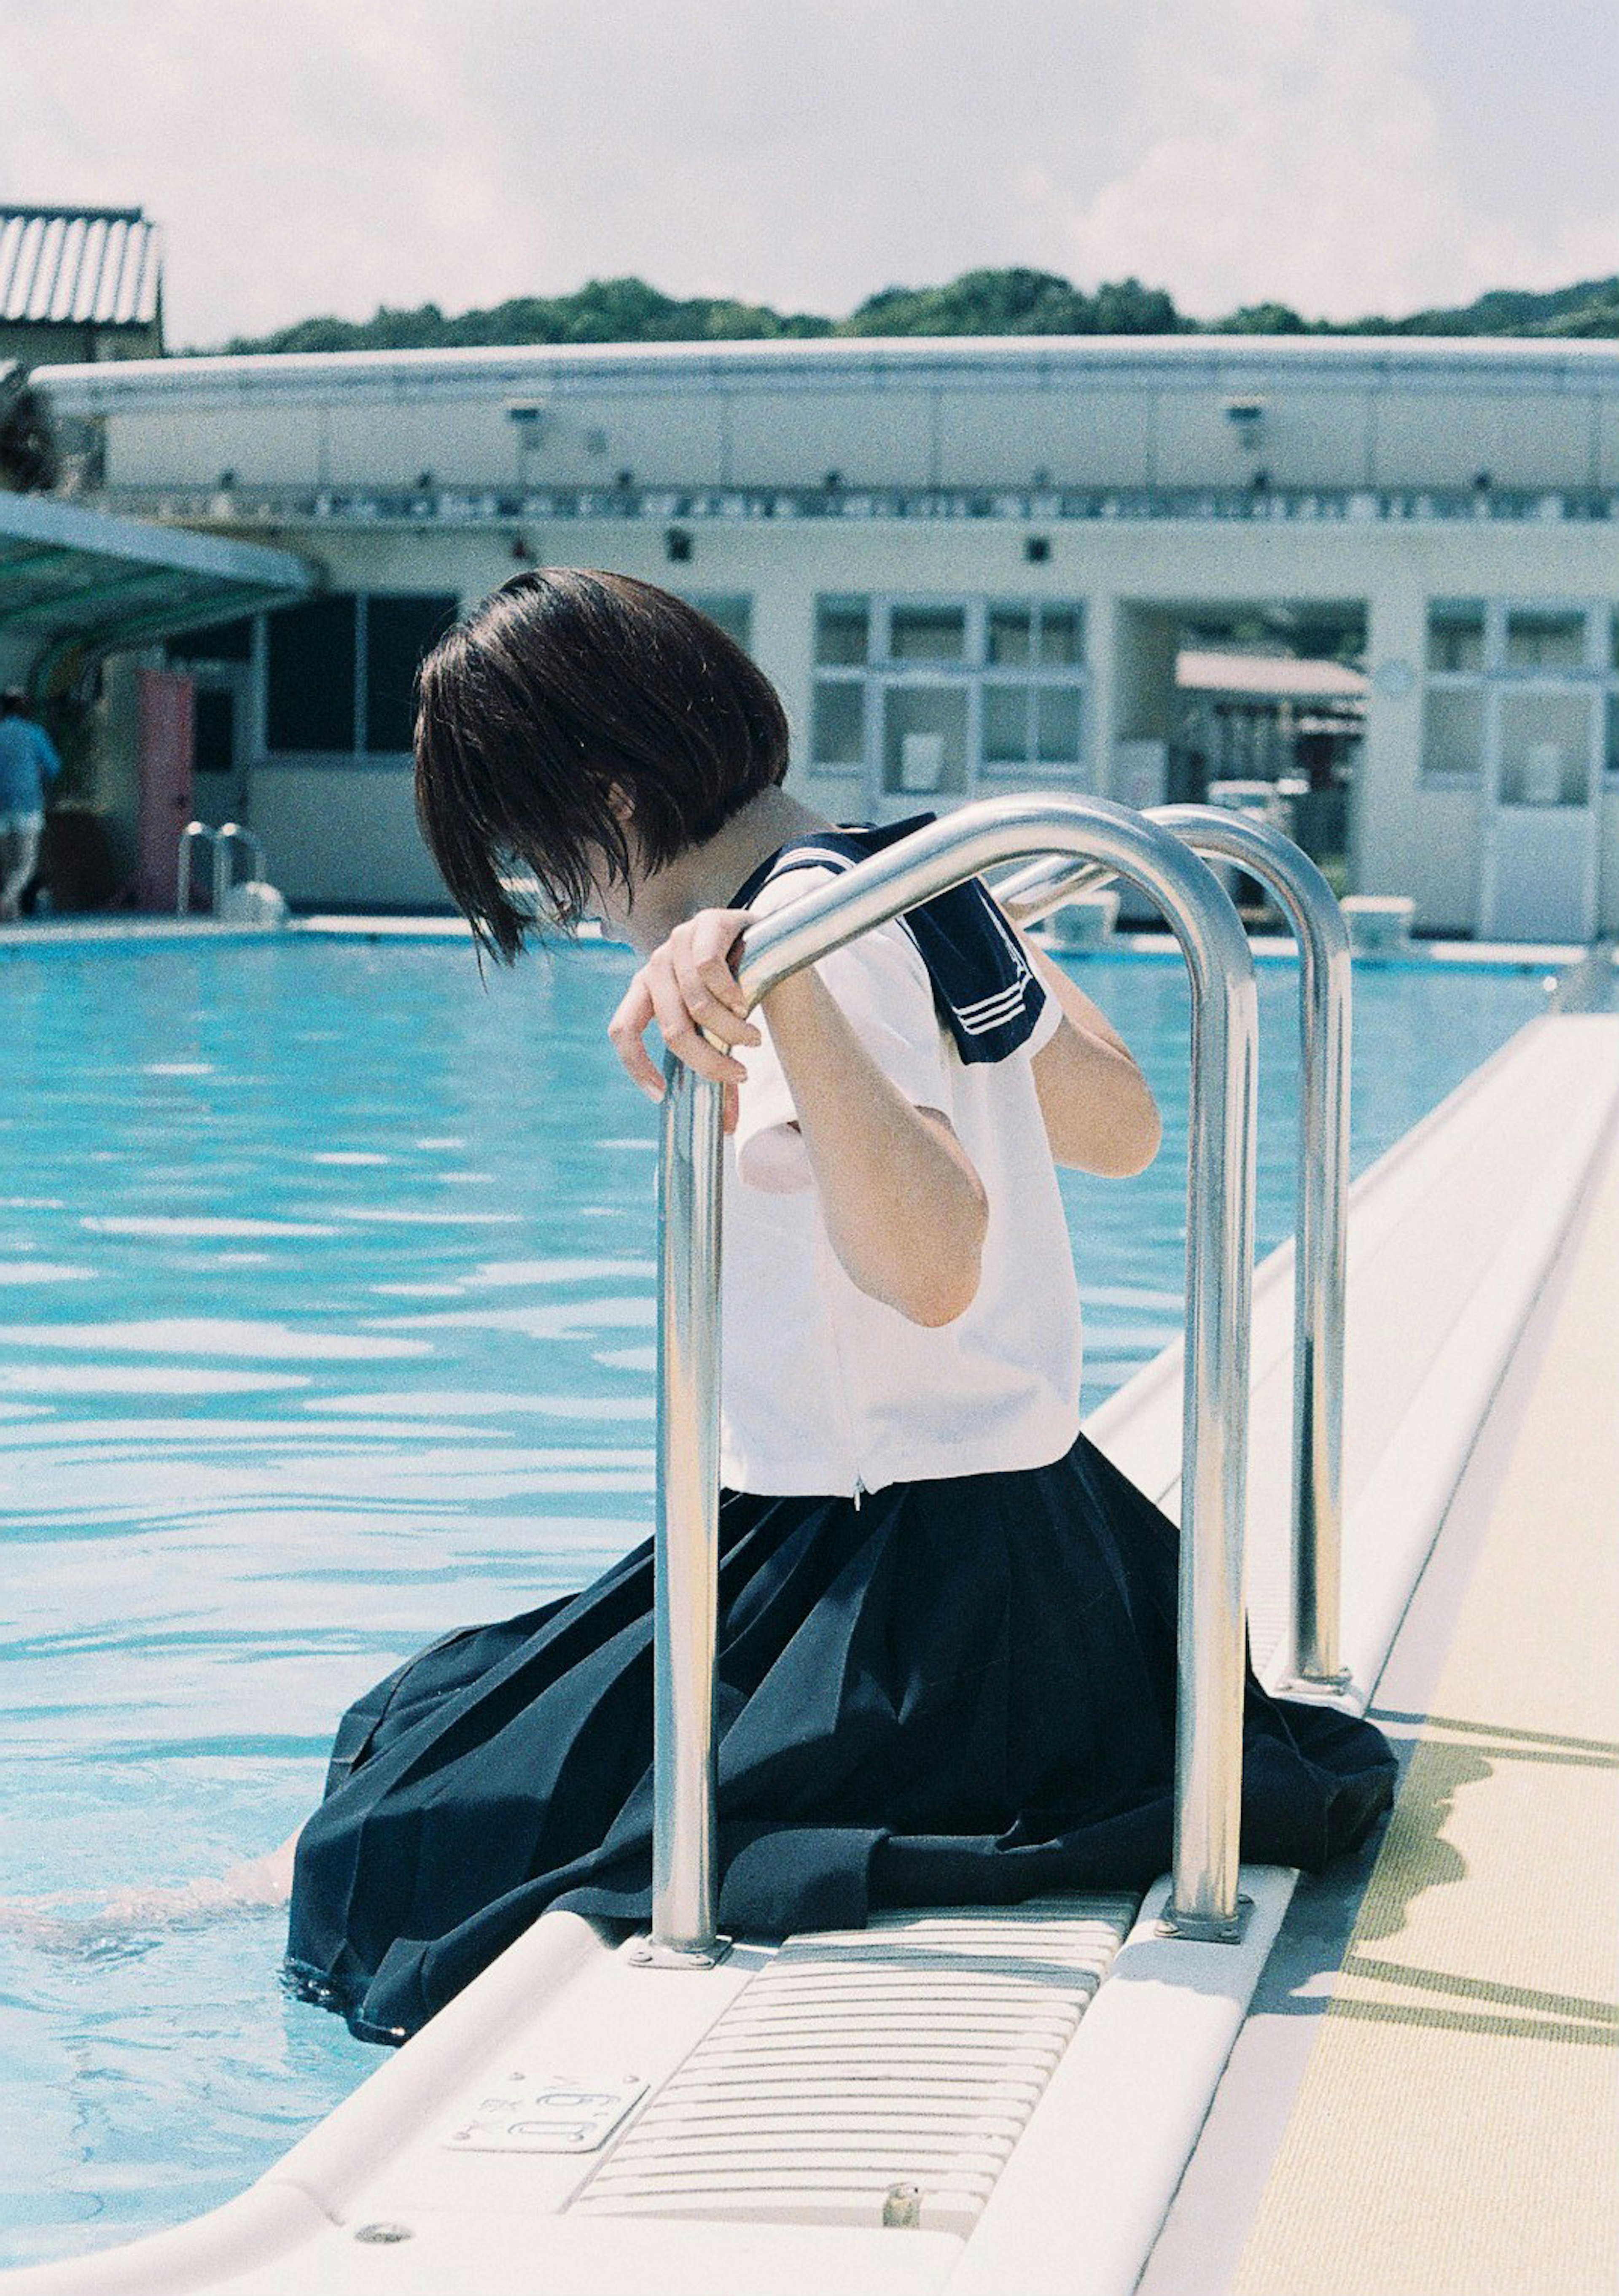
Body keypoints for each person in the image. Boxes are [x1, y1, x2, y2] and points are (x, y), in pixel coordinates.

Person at [279, 569, 1396, 2045]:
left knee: (403, 1840)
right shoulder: (892, 872)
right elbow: (1120, 1118)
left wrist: (780, 981)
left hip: (900, 1605)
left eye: (527, 847)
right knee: (446, 1723)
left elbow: (936, 1267)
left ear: (605, 796)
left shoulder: (797, 939)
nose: (551, 897)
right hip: (1037, 1548)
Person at [0, 688, 60, 921]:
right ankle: (6, 900)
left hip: (1, 807)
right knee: (25, 864)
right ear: (23, 707)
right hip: (27, 806)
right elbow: (54, 767)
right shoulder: (34, 733)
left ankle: (12, 919)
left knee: (8, 866)